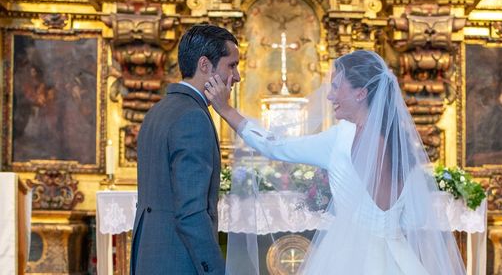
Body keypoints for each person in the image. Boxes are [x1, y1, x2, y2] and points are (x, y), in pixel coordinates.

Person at [206, 50, 466, 275]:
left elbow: (276, 147)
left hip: (349, 257)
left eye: (335, 86)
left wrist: (226, 110)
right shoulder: (401, 145)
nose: (329, 96)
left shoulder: (342, 138)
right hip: (400, 258)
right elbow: (417, 217)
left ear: (361, 93)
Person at [130, 24, 240, 275]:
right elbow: (191, 212)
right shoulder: (193, 117)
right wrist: (214, 271)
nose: (237, 76)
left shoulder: (158, 111)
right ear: (205, 65)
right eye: (231, 65)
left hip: (151, 257)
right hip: (179, 261)